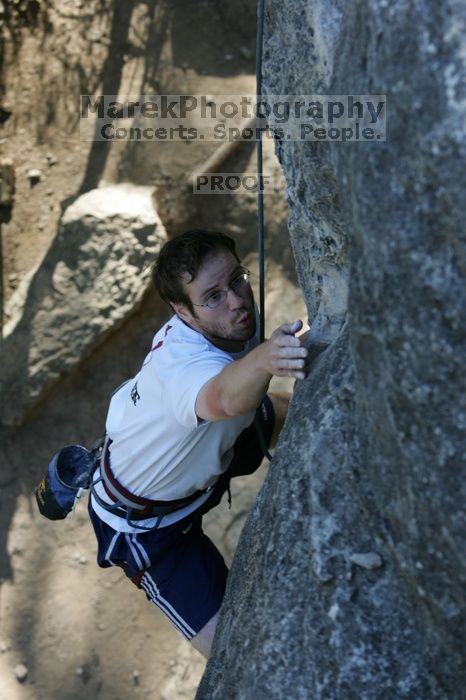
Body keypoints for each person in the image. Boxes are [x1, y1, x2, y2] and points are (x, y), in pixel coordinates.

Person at [88, 229, 308, 657]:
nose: (236, 300)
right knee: (239, 654)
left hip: (202, 453)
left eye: (237, 279)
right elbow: (222, 398)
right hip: (149, 530)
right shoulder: (185, 368)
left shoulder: (212, 327)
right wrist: (264, 358)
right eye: (212, 296)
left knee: (281, 412)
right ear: (182, 311)